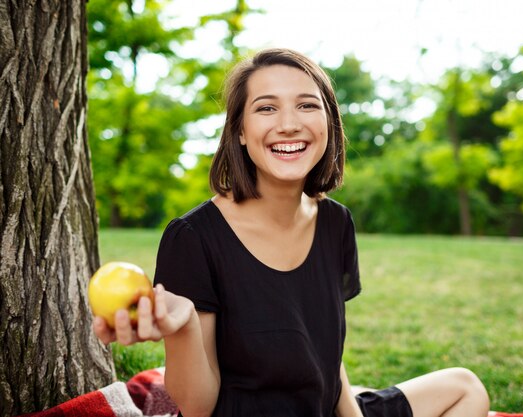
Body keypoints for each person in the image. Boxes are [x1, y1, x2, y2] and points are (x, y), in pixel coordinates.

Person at [93, 48, 490, 417]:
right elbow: (198, 407)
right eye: (266, 108)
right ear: (241, 132)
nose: (288, 124)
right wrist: (184, 328)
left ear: (328, 125)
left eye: (306, 105)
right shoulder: (193, 237)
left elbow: (325, 355)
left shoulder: (336, 222)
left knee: (464, 387)